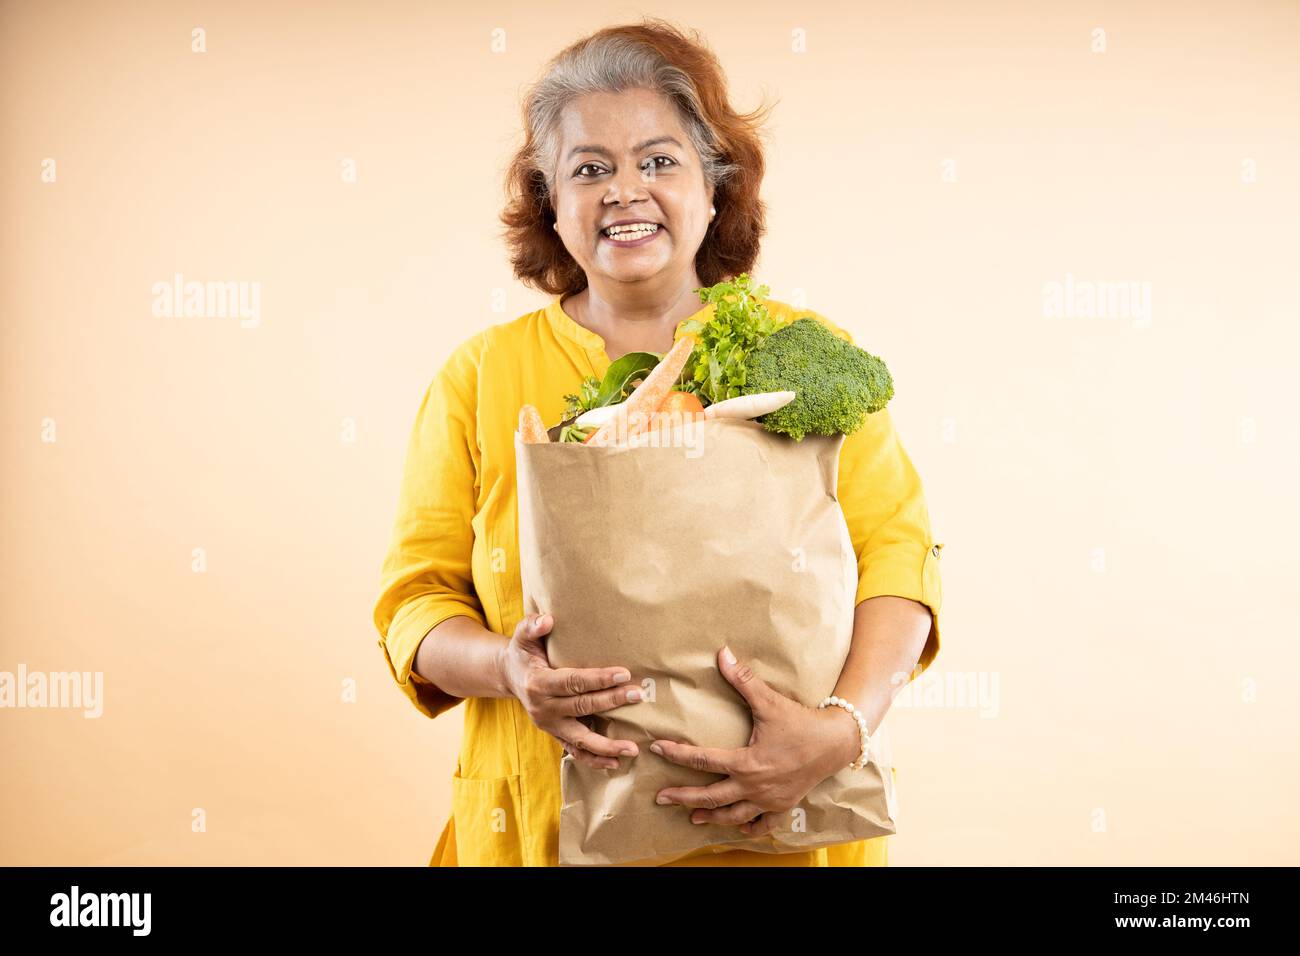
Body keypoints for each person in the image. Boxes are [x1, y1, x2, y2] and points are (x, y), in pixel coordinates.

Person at [372, 17, 943, 867]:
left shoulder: (800, 350)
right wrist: (510, 671)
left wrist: (840, 730)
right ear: (551, 206)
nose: (624, 190)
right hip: (537, 826)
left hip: (775, 832)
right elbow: (415, 605)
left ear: (714, 189)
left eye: (659, 160)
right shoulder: (482, 376)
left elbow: (898, 559)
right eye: (589, 169)